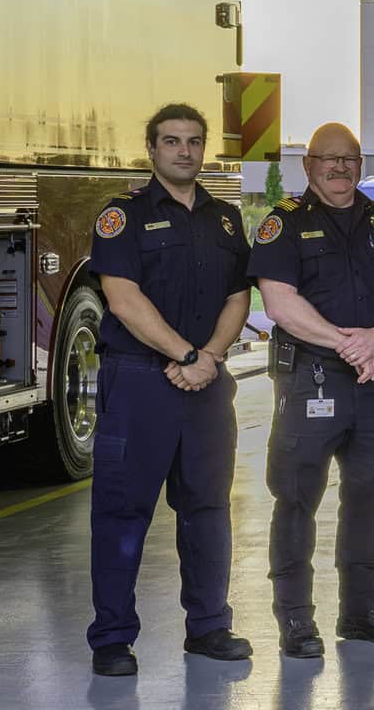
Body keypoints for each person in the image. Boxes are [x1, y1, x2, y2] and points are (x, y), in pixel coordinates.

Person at [86, 104, 253, 676]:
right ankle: (111, 639)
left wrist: (208, 358)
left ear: (204, 149)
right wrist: (184, 354)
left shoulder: (226, 218)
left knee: (208, 509)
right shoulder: (122, 216)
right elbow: (123, 297)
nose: (184, 151)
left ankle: (209, 628)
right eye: (171, 141)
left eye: (193, 141)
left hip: (206, 385)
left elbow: (239, 297)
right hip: (139, 382)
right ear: (151, 149)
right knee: (122, 513)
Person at [250, 122, 374, 659]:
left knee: (372, 494)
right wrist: (346, 343)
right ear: (309, 166)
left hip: (373, 377)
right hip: (309, 376)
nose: (341, 167)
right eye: (329, 159)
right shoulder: (283, 224)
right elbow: (278, 302)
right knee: (297, 497)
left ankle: (362, 612)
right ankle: (296, 620)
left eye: (349, 158)